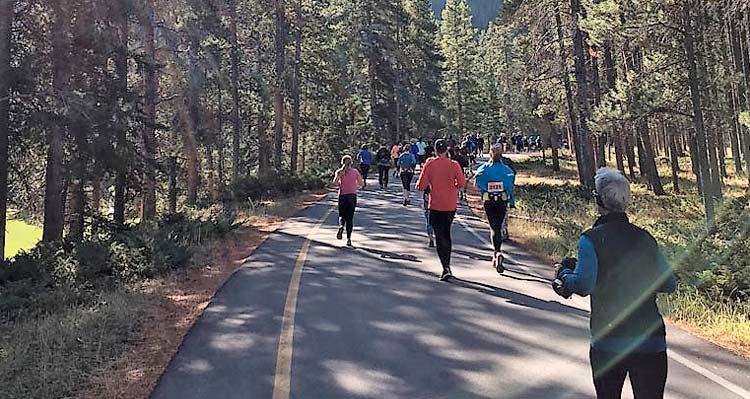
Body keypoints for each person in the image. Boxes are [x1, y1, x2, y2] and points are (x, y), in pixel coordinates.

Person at [551, 168, 677, 399]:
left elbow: (584, 284)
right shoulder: (645, 238)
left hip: (609, 341)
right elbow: (669, 283)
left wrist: (564, 274)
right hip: (651, 340)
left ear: (598, 201)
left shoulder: (591, 238)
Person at [416, 139, 466, 281]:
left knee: (439, 236)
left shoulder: (430, 164)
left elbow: (420, 186)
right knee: (447, 233)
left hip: (435, 204)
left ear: (435, 151)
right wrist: (453, 186)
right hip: (450, 204)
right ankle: (447, 265)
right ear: (447, 150)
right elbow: (461, 183)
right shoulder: (454, 165)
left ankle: (445, 267)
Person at [474, 143, 516, 273]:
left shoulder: (484, 169)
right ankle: (497, 253)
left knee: (494, 228)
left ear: (490, 154)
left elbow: (477, 182)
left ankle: (496, 253)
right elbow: (510, 186)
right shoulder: (507, 170)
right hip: (502, 201)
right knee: (498, 226)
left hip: (489, 201)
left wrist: (485, 188)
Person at [333, 155, 365, 247]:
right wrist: (358, 186)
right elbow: (361, 183)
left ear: (342, 162)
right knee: (350, 218)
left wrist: (340, 183)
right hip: (352, 196)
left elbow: (334, 183)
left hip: (342, 195)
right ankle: (348, 239)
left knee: (342, 215)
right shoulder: (355, 172)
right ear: (351, 163)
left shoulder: (339, 172)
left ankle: (341, 226)